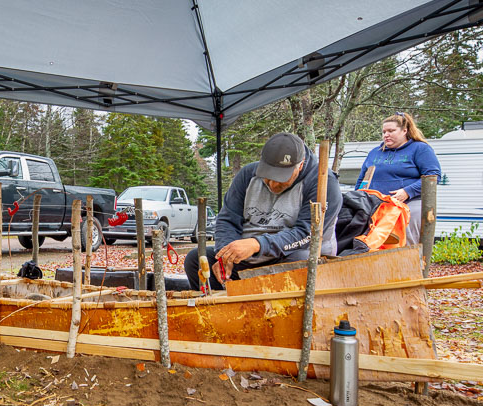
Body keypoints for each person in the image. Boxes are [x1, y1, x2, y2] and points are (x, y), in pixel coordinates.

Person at [184, 133, 342, 291]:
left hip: (289, 255)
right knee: (195, 259)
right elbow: (227, 219)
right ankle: (223, 312)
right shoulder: (248, 174)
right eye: (268, 177)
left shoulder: (323, 183)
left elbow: (307, 233)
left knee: (301, 261)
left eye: (281, 179)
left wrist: (258, 244)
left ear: (299, 166)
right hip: (248, 257)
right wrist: (226, 255)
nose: (273, 185)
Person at [354, 112, 440, 245]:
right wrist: (357, 198)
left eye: (391, 131)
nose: (386, 135)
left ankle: (412, 264)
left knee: (405, 241)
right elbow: (362, 180)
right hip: (375, 206)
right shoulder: (375, 153)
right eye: (384, 132)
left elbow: (433, 176)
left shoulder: (420, 149)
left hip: (410, 203)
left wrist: (407, 192)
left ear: (404, 130)